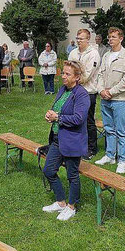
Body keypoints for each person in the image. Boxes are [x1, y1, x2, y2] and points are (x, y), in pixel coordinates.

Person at [42, 60, 89, 221]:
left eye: (67, 74)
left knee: (72, 175)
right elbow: (57, 108)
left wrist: (58, 117)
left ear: (77, 77)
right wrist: (50, 115)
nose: (63, 76)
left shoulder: (81, 94)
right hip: (57, 138)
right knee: (48, 170)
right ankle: (61, 202)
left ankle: (71, 207)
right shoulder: (63, 89)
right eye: (63, 73)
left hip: (72, 140)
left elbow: (79, 118)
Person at [95, 27, 125, 173]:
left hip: (119, 100)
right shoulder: (106, 56)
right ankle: (110, 155)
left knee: (121, 131)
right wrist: (101, 90)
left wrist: (111, 92)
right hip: (105, 99)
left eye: (113, 37)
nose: (110, 39)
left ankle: (122, 160)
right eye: (109, 37)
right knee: (108, 129)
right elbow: (99, 75)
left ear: (121, 38)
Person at [69, 29, 101, 160]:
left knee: (88, 120)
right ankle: (77, 145)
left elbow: (87, 74)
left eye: (81, 39)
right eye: (77, 38)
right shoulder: (73, 53)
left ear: (88, 40)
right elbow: (68, 70)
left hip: (88, 92)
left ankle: (91, 148)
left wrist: (73, 80)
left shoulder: (93, 54)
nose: (78, 41)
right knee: (74, 119)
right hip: (73, 90)